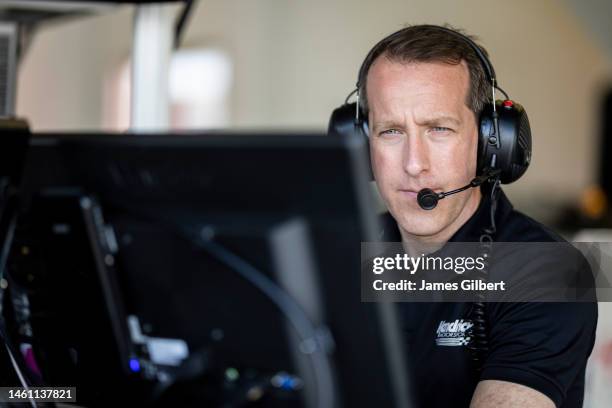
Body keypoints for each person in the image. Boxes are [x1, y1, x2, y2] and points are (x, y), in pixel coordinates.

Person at [331, 25, 598, 407]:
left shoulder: (550, 272)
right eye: (390, 131)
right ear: (359, 143)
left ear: (491, 143)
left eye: (439, 129)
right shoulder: (332, 257)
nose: (414, 164)